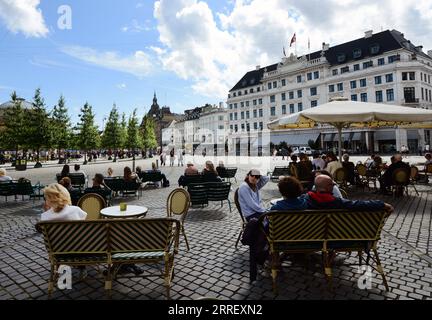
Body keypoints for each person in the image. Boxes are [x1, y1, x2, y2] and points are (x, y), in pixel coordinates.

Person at [304, 175, 394, 213]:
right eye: (332, 184)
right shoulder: (336, 202)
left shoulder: (306, 199)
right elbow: (358, 204)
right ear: (327, 187)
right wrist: (381, 204)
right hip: (335, 236)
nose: (334, 186)